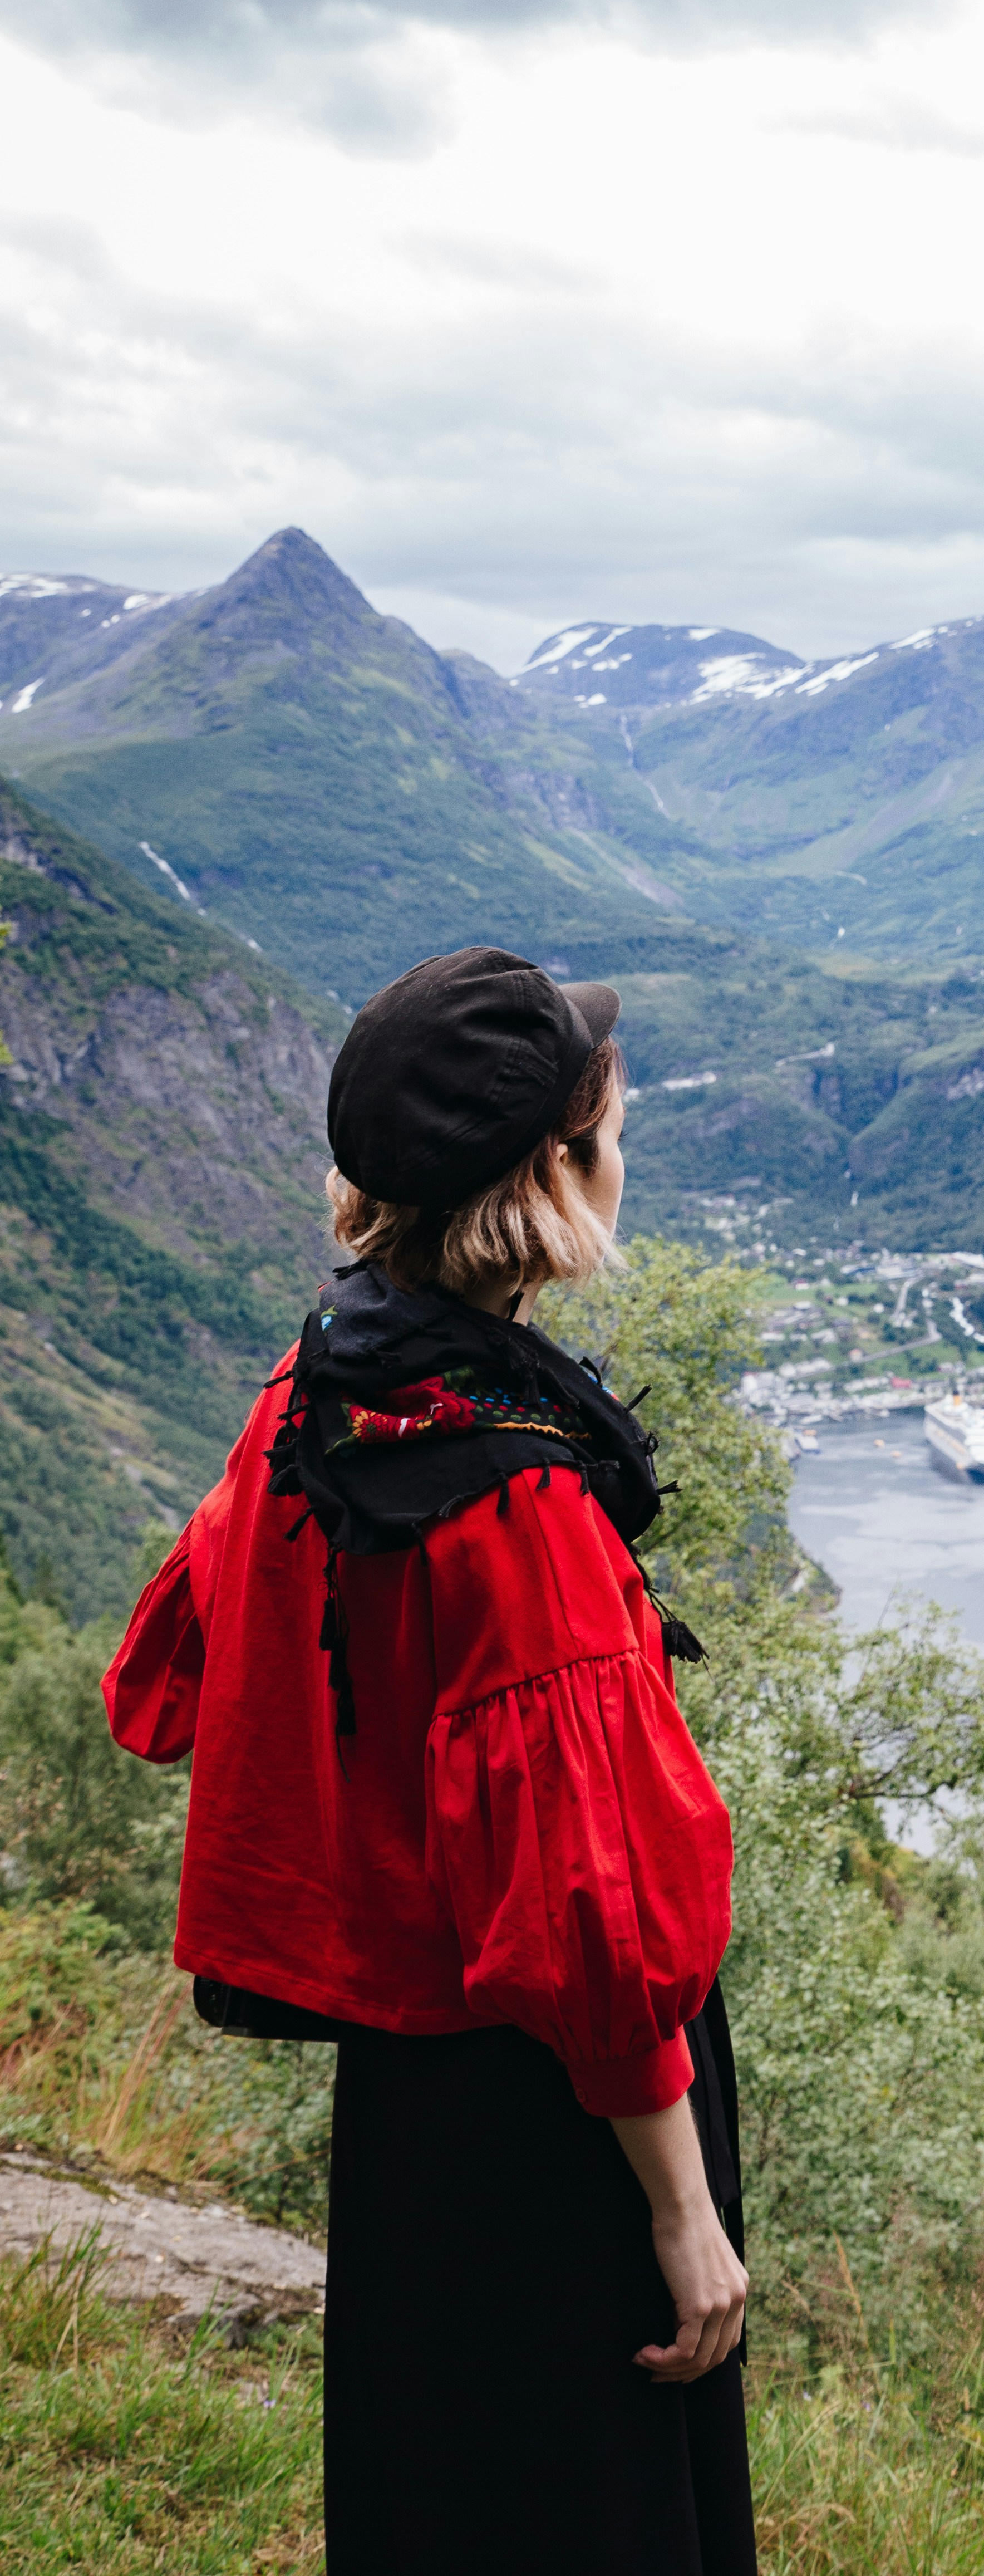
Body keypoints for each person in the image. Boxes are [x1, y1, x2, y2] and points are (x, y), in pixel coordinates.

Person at [102, 946, 755, 2576]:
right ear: (553, 1178)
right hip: (556, 2111)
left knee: (443, 2498)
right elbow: (598, 1930)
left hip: (407, 2103)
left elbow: (165, 1682)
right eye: (611, 1124)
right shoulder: (521, 1508)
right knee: (598, 2507)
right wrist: (680, 2211)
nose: (626, 1149)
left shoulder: (318, 1397)